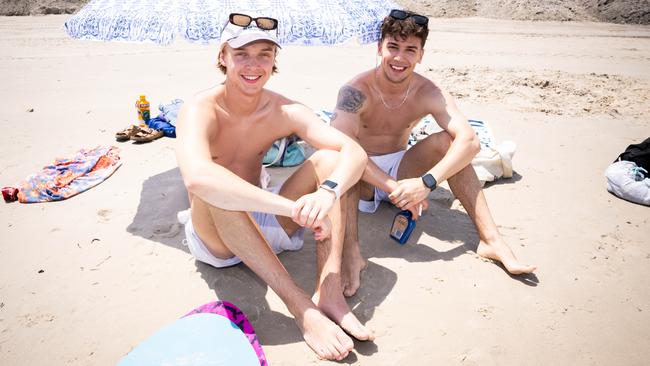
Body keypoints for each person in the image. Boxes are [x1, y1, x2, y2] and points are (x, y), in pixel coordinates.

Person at [175, 13, 373, 361]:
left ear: (274, 60)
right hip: (218, 238)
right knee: (215, 188)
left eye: (264, 54)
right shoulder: (199, 108)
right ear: (223, 57)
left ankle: (329, 292)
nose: (254, 65)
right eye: (242, 54)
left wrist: (326, 193)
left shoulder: (284, 109)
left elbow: (353, 152)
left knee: (329, 160)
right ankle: (301, 307)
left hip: (267, 224)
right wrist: (292, 208)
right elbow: (197, 178)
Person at [331, 9, 536, 292]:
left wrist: (425, 183)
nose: (400, 58)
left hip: (404, 169)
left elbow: (470, 141)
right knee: (345, 157)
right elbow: (342, 146)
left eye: (410, 50)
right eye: (393, 47)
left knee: (451, 144)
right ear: (380, 48)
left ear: (421, 55)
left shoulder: (429, 91)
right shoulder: (355, 90)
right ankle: (351, 254)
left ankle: (492, 240)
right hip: (363, 176)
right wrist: (391, 186)